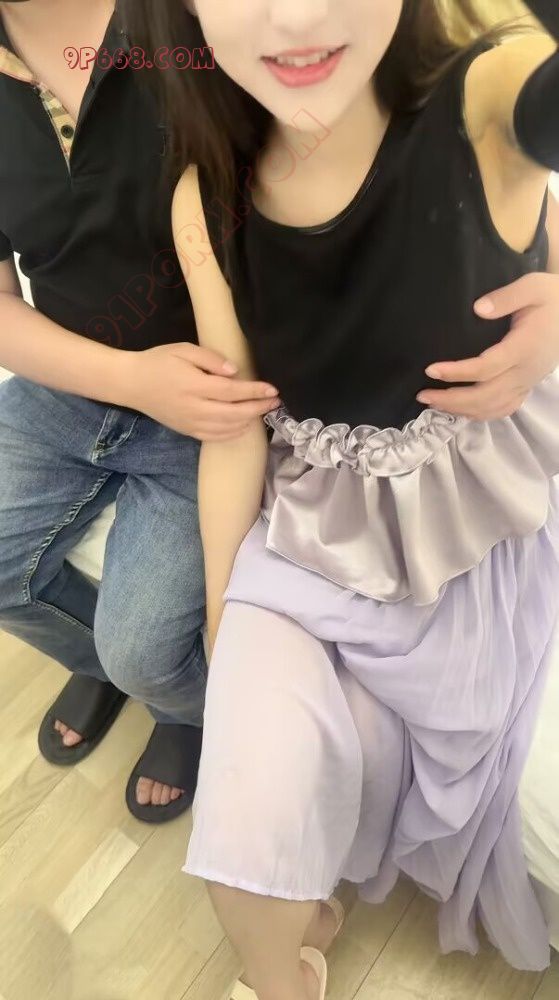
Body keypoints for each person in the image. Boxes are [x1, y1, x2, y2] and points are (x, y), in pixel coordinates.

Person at [126, 0, 559, 992]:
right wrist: (223, 611)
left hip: (463, 528)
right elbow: (234, 423)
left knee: (346, 765)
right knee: (239, 846)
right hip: (311, 526)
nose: (296, 14)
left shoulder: (486, 98)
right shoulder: (207, 196)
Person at [0, 0, 281, 823]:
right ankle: (106, 668)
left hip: (208, 398)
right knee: (97, 639)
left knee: (145, 650)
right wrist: (130, 378)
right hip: (67, 381)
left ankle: (177, 705)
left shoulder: (188, 20)